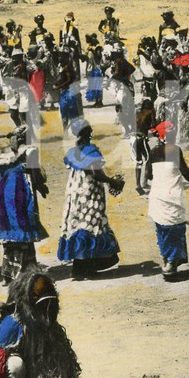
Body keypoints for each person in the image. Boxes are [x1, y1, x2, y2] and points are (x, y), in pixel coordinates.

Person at [0, 268, 88, 378]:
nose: (46, 307)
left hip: (40, 375)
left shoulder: (47, 321)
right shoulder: (12, 323)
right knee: (14, 365)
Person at [58, 119, 125, 280]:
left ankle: (79, 268)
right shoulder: (91, 151)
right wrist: (113, 181)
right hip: (89, 194)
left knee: (77, 224)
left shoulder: (74, 151)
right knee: (91, 225)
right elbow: (95, 174)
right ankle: (85, 268)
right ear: (89, 133)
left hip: (75, 195)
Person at [0, 127, 49, 285]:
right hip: (21, 192)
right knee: (24, 229)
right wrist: (42, 187)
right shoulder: (31, 151)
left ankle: (9, 273)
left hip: (3, 194)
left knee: (9, 231)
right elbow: (35, 175)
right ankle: (25, 273)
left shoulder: (4, 153)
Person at [146, 120, 189, 280]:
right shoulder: (175, 150)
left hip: (157, 196)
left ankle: (167, 260)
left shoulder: (153, 151)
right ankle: (172, 262)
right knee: (175, 229)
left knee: (163, 229)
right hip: (172, 196)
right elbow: (186, 174)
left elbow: (149, 175)